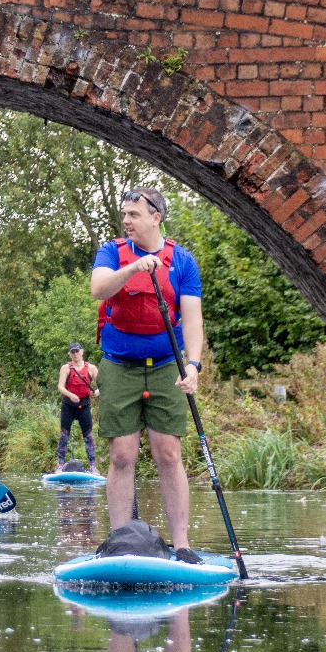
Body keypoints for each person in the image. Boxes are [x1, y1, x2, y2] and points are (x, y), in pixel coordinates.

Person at [90, 187, 204, 563]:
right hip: (119, 366)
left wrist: (193, 365)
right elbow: (98, 289)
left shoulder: (183, 261)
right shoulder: (111, 252)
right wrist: (134, 268)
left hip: (166, 367)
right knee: (122, 455)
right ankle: (121, 541)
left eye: (134, 214)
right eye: (125, 214)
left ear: (156, 217)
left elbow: (191, 320)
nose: (127, 220)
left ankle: (182, 545)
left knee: (169, 453)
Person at [58, 341, 99, 474]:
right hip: (68, 405)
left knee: (88, 436)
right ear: (70, 354)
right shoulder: (66, 368)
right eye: (72, 352)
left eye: (77, 351)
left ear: (82, 352)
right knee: (64, 436)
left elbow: (103, 385)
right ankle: (60, 466)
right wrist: (70, 395)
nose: (75, 354)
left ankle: (93, 467)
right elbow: (60, 387)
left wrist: (99, 391)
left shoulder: (91, 368)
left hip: (84, 405)